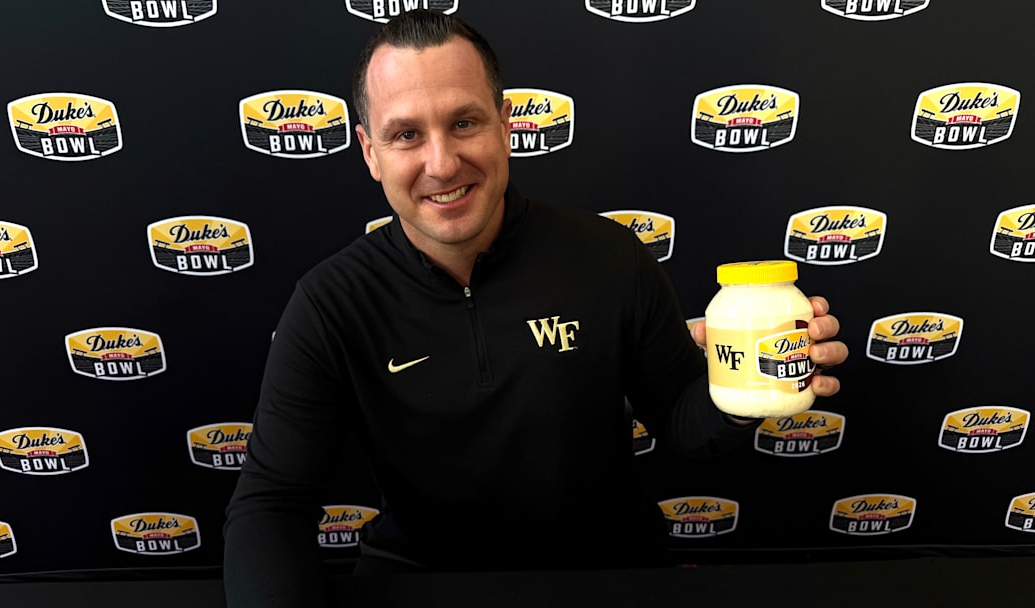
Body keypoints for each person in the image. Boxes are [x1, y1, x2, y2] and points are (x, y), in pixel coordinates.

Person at [223, 9, 848, 607]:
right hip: (423, 574)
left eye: (464, 123)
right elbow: (271, 505)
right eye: (407, 134)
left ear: (504, 124)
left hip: (611, 567)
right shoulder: (332, 301)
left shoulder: (609, 257)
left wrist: (744, 389)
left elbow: (684, 428)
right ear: (369, 152)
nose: (441, 164)